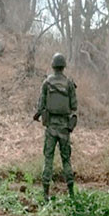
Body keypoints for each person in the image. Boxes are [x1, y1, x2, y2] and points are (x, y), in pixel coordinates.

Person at [33, 53, 77, 201]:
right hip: (64, 127)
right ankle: (71, 193)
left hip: (51, 127)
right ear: (63, 66)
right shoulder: (69, 83)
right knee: (66, 160)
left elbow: (41, 105)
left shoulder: (47, 83)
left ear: (53, 66)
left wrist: (37, 115)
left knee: (48, 159)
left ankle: (45, 194)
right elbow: (74, 106)